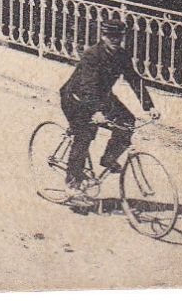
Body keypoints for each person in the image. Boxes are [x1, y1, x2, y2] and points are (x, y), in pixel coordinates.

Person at [60, 16, 158, 190]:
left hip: (102, 96)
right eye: (110, 36)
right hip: (76, 98)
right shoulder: (92, 55)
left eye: (118, 37)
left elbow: (135, 79)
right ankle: (73, 181)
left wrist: (149, 107)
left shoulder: (121, 55)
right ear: (103, 36)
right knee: (85, 134)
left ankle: (108, 157)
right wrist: (95, 112)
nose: (114, 40)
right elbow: (88, 86)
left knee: (127, 121)